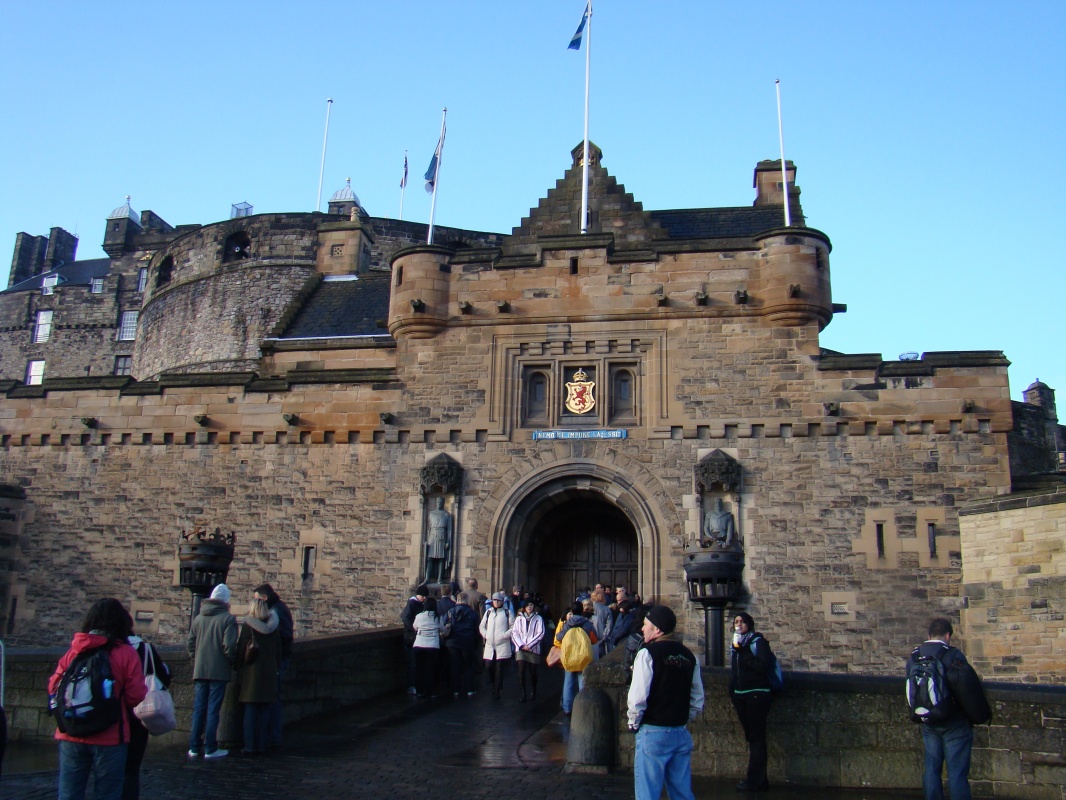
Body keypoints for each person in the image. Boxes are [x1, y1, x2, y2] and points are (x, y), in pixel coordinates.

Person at [49, 598, 148, 800]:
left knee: (69, 794)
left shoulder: (75, 650)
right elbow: (136, 695)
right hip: (110, 736)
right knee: (108, 794)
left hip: (71, 732)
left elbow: (53, 686)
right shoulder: (126, 653)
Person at [626, 605, 704, 800]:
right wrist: (683, 718)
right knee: (682, 794)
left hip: (654, 730)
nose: (642, 629)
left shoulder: (647, 654)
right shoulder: (690, 656)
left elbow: (638, 696)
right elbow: (697, 698)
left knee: (648, 795)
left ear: (657, 629)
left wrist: (633, 721)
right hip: (680, 731)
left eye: (646, 625)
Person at [909, 618, 988, 800]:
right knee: (957, 773)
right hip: (954, 723)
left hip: (928, 720)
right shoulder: (953, 655)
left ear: (929, 635)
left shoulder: (914, 656)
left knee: (931, 770)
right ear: (947, 635)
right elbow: (967, 690)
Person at [187, 583, 237, 759]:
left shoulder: (198, 618)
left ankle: (194, 747)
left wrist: (197, 659)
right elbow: (229, 646)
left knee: (199, 709)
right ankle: (210, 748)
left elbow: (190, 643)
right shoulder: (228, 619)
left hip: (200, 669)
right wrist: (232, 661)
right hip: (219, 670)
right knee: (213, 710)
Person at [729, 612, 774, 792]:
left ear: (749, 624)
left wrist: (744, 651)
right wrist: (732, 690)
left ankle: (755, 781)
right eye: (736, 621)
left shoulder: (758, 642)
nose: (739, 624)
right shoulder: (735, 644)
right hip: (741, 695)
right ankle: (759, 779)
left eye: (742, 621)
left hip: (756, 694)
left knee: (756, 737)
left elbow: (763, 666)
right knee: (751, 737)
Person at [124, 630, 171, 800]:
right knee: (131, 770)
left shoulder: (106, 647)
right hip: (138, 715)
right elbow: (163, 677)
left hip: (112, 717)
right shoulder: (145, 649)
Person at [235, 596, 282, 755]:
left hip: (252, 674)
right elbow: (279, 651)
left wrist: (238, 667)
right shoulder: (274, 626)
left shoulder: (249, 626)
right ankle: (261, 745)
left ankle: (249, 746)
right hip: (269, 674)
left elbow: (241, 649)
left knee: (251, 711)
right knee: (264, 712)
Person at [253, 583, 292, 749]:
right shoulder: (278, 607)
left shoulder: (276, 611)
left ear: (264, 598)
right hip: (279, 658)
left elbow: (284, 636)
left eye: (257, 600)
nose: (255, 603)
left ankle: (273, 735)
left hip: (277, 660)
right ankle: (272, 735)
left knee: (273, 697)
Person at [554, 601, 599, 715]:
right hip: (583, 656)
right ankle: (582, 707)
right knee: (582, 682)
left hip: (569, 655)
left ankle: (567, 708)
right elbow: (595, 639)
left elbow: (559, 637)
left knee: (568, 683)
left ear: (572, 611)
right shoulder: (587, 623)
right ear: (582, 610)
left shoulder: (567, 624)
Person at [443, 592, 481, 697]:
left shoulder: (450, 612)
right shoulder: (472, 613)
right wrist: (475, 643)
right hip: (467, 641)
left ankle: (456, 689)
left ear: (457, 600)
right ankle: (469, 689)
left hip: (452, 642)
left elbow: (443, 626)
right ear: (466, 600)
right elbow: (477, 630)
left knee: (455, 665)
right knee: (468, 665)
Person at [479, 591, 514, 698]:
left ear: (502, 602)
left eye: (498, 600)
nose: (496, 602)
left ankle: (497, 689)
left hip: (502, 644)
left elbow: (513, 627)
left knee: (499, 668)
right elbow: (482, 626)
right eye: (494, 600)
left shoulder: (507, 613)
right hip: (490, 644)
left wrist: (504, 635)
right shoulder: (488, 612)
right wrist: (486, 635)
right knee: (489, 666)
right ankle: (494, 683)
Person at [511, 599, 545, 702]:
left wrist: (529, 645)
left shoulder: (538, 618)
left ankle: (533, 690)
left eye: (531, 605)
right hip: (521, 648)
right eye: (527, 605)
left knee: (533, 672)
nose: (529, 607)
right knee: (521, 671)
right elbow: (514, 633)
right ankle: (523, 692)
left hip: (533, 649)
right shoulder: (519, 619)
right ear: (524, 607)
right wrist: (521, 645)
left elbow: (540, 633)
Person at [412, 596, 442, 698]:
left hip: (419, 644)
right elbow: (443, 629)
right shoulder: (437, 617)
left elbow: (415, 627)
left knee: (419, 668)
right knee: (430, 669)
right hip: (432, 645)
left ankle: (419, 690)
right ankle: (430, 690)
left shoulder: (419, 616)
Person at [400, 585, 428, 695]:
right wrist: (414, 628)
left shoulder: (419, 604)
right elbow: (405, 617)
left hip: (416, 638)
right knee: (413, 663)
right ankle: (411, 685)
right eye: (423, 596)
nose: (425, 598)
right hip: (411, 637)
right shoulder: (412, 604)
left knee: (417, 663)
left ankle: (416, 684)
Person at [424, 496, 453, 583]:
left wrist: (448, 541)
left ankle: (440, 578)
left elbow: (449, 530)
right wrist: (427, 540)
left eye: (441, 502)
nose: (439, 504)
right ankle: (427, 578)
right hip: (432, 537)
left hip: (442, 536)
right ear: (436, 503)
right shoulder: (431, 514)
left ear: (443, 503)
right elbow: (428, 528)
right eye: (438, 502)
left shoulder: (446, 515)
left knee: (441, 558)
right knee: (430, 558)